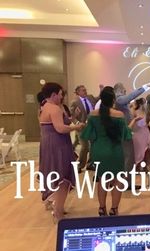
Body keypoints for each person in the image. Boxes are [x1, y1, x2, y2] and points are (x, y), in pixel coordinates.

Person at [81, 87, 132, 216]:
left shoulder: (92, 115)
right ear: (113, 100)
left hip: (99, 150)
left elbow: (88, 135)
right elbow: (125, 135)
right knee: (117, 180)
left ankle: (102, 208)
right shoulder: (119, 115)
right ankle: (114, 209)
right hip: (115, 151)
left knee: (102, 179)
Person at [39, 82, 84, 221]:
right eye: (60, 94)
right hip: (58, 145)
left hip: (48, 144)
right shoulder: (54, 108)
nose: (61, 97)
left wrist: (73, 119)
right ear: (53, 95)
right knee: (62, 178)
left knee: (56, 175)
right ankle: (58, 213)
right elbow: (60, 128)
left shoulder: (43, 107)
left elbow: (59, 124)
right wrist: (76, 127)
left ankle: (58, 207)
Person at [70, 85, 99, 173]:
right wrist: (78, 123)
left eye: (85, 90)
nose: (85, 91)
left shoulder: (90, 97)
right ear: (78, 92)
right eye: (83, 90)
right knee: (85, 146)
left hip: (91, 126)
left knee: (93, 146)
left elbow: (98, 98)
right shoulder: (75, 102)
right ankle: (79, 165)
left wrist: (101, 90)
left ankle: (90, 164)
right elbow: (72, 116)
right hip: (81, 127)